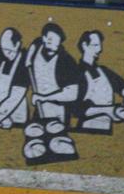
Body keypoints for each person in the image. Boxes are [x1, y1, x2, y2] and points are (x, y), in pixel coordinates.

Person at [22, 21, 81, 163]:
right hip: (39, 111)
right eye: (47, 37)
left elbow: (72, 93)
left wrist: (44, 97)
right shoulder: (37, 46)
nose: (49, 40)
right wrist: (28, 58)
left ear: (60, 41)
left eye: (54, 38)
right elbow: (33, 47)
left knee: (57, 145)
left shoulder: (66, 61)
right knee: (34, 146)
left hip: (58, 113)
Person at [72, 29, 124, 134]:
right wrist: (110, 110)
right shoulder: (77, 73)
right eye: (95, 45)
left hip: (107, 130)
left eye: (100, 45)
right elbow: (77, 109)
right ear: (84, 45)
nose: (99, 49)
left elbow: (121, 84)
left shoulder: (103, 70)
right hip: (87, 131)